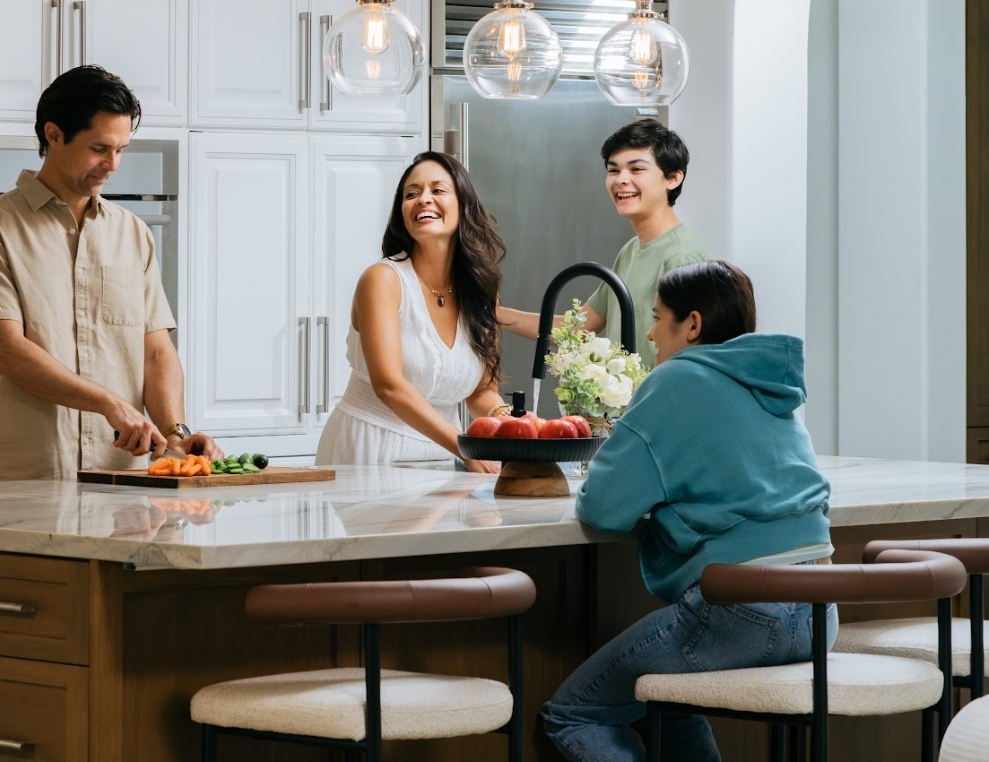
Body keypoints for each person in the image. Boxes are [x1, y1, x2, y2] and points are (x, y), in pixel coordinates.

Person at [542, 261, 833, 762]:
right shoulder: (772, 383)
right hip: (821, 612)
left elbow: (604, 508)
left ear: (692, 325)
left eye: (659, 318)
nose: (651, 333)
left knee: (574, 712)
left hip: (742, 613)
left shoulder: (678, 377)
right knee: (664, 696)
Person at [0, 65, 220, 481]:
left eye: (121, 149)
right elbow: (6, 348)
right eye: (100, 148)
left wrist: (176, 433)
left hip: (123, 478)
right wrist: (107, 403)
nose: (112, 164)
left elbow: (155, 351)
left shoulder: (133, 233)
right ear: (54, 134)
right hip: (28, 473)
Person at [314, 151, 510, 473]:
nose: (423, 200)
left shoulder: (480, 290)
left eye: (438, 190)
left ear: (463, 205)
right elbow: (389, 384)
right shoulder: (383, 279)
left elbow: (481, 390)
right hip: (371, 446)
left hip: (444, 455)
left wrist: (513, 426)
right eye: (412, 194)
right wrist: (466, 447)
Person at [498, 118, 706, 368]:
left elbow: (687, 361)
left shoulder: (681, 256)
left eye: (636, 169)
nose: (621, 180)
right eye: (613, 170)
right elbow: (578, 329)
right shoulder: (631, 250)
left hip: (654, 404)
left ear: (673, 178)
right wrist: (494, 315)